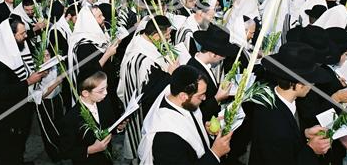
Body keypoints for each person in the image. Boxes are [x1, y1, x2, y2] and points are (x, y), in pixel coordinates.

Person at [0, 17, 48, 164]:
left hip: (19, 115)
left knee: (18, 149)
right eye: (21, 34)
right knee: (9, 156)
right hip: (4, 121)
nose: (26, 36)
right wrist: (29, 81)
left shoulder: (13, 48)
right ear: (10, 37)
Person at [250, 42, 332, 165]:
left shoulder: (279, 98)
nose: (313, 85)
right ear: (299, 84)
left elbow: (288, 134)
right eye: (311, 81)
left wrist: (304, 133)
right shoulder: (273, 121)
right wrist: (311, 150)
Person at [139, 65, 233, 165]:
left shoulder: (180, 101)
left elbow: (191, 124)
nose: (204, 98)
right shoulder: (167, 138)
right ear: (183, 96)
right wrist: (215, 154)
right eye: (200, 95)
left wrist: (205, 130)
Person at [117, 15, 178, 161]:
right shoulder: (144, 60)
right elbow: (151, 91)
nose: (169, 39)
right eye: (167, 35)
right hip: (143, 110)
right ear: (156, 35)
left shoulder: (139, 40)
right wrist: (170, 74)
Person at [58, 71, 126, 165]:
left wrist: (118, 128)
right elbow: (65, 152)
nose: (106, 93)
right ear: (85, 93)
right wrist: (91, 149)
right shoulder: (70, 119)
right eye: (101, 90)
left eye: (106, 87)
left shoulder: (104, 102)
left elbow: (108, 126)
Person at [188, 24, 238, 122]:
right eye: (223, 54)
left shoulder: (201, 64)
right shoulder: (195, 73)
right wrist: (217, 98)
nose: (224, 58)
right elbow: (196, 110)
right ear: (213, 54)